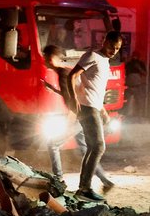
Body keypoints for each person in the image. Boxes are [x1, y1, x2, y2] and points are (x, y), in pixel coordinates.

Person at [42, 45, 114, 187]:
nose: (43, 60)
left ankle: (59, 179)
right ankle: (103, 179)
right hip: (84, 114)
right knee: (87, 148)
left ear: (49, 59)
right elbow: (74, 93)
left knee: (53, 144)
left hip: (79, 116)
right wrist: (54, 90)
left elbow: (73, 99)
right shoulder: (64, 72)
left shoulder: (63, 75)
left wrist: (70, 121)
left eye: (44, 57)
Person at [69, 31, 123, 202]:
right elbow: (72, 75)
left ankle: (83, 188)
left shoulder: (105, 61)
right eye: (111, 46)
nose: (113, 51)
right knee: (98, 146)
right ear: (104, 41)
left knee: (93, 147)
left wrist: (104, 112)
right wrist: (73, 99)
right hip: (87, 108)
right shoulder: (92, 55)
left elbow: (96, 89)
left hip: (95, 107)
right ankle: (84, 189)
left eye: (117, 48)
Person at [125, 50, 147, 119]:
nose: (134, 57)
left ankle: (139, 116)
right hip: (128, 86)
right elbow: (125, 73)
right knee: (126, 102)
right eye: (133, 56)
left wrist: (138, 67)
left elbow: (145, 73)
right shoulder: (129, 63)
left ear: (138, 57)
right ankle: (125, 116)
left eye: (136, 56)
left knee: (139, 101)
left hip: (138, 85)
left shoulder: (140, 63)